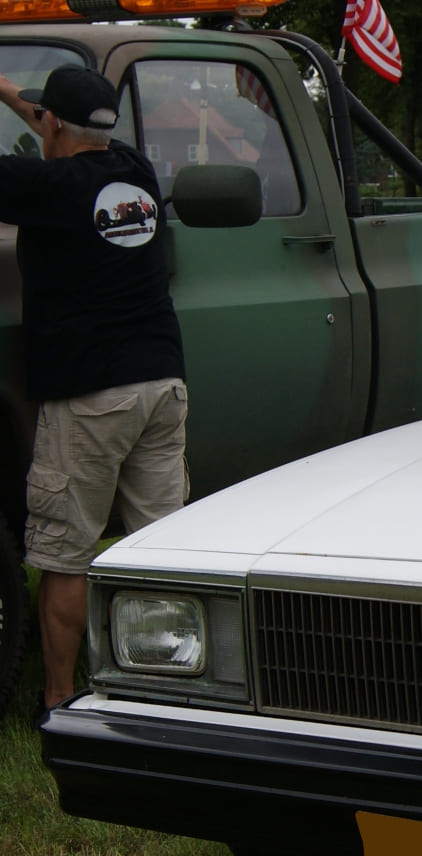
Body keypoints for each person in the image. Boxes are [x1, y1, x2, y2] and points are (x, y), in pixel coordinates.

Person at [0, 65, 188, 715]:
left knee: (66, 554)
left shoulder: (48, 187)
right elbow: (61, 128)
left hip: (90, 396)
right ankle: (170, 689)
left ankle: (59, 698)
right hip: (162, 386)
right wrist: (5, 88)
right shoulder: (132, 168)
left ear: (54, 126)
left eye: (42, 118)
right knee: (161, 548)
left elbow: (40, 154)